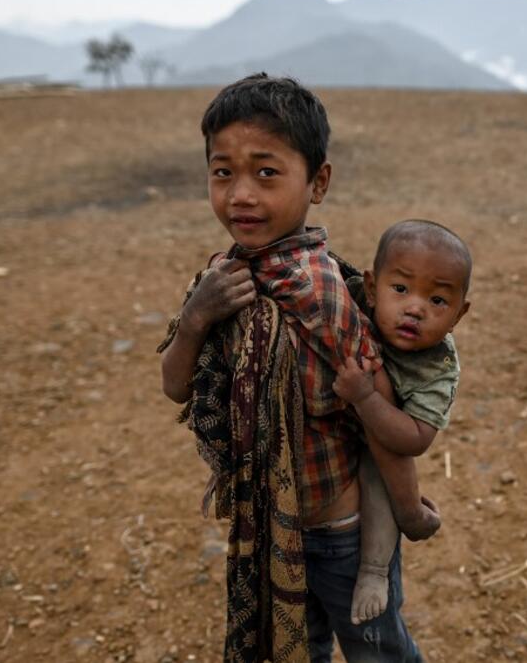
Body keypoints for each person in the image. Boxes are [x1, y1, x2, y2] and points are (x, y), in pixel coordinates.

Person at [158, 73, 424, 662]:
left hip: (342, 535)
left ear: (318, 181)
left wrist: (405, 511)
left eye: (266, 172)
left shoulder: (321, 294)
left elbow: (383, 417)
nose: (241, 195)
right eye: (222, 171)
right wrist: (196, 317)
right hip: (269, 533)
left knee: (378, 648)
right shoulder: (221, 282)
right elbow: (176, 386)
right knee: (295, 651)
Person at [332, 220, 472, 626]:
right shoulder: (350, 297)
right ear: (372, 287)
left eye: (438, 301)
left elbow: (413, 441)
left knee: (380, 484)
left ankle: (374, 572)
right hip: (325, 434)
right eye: (401, 289)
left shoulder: (437, 369)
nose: (415, 308)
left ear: (459, 315)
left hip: (382, 439)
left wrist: (365, 398)